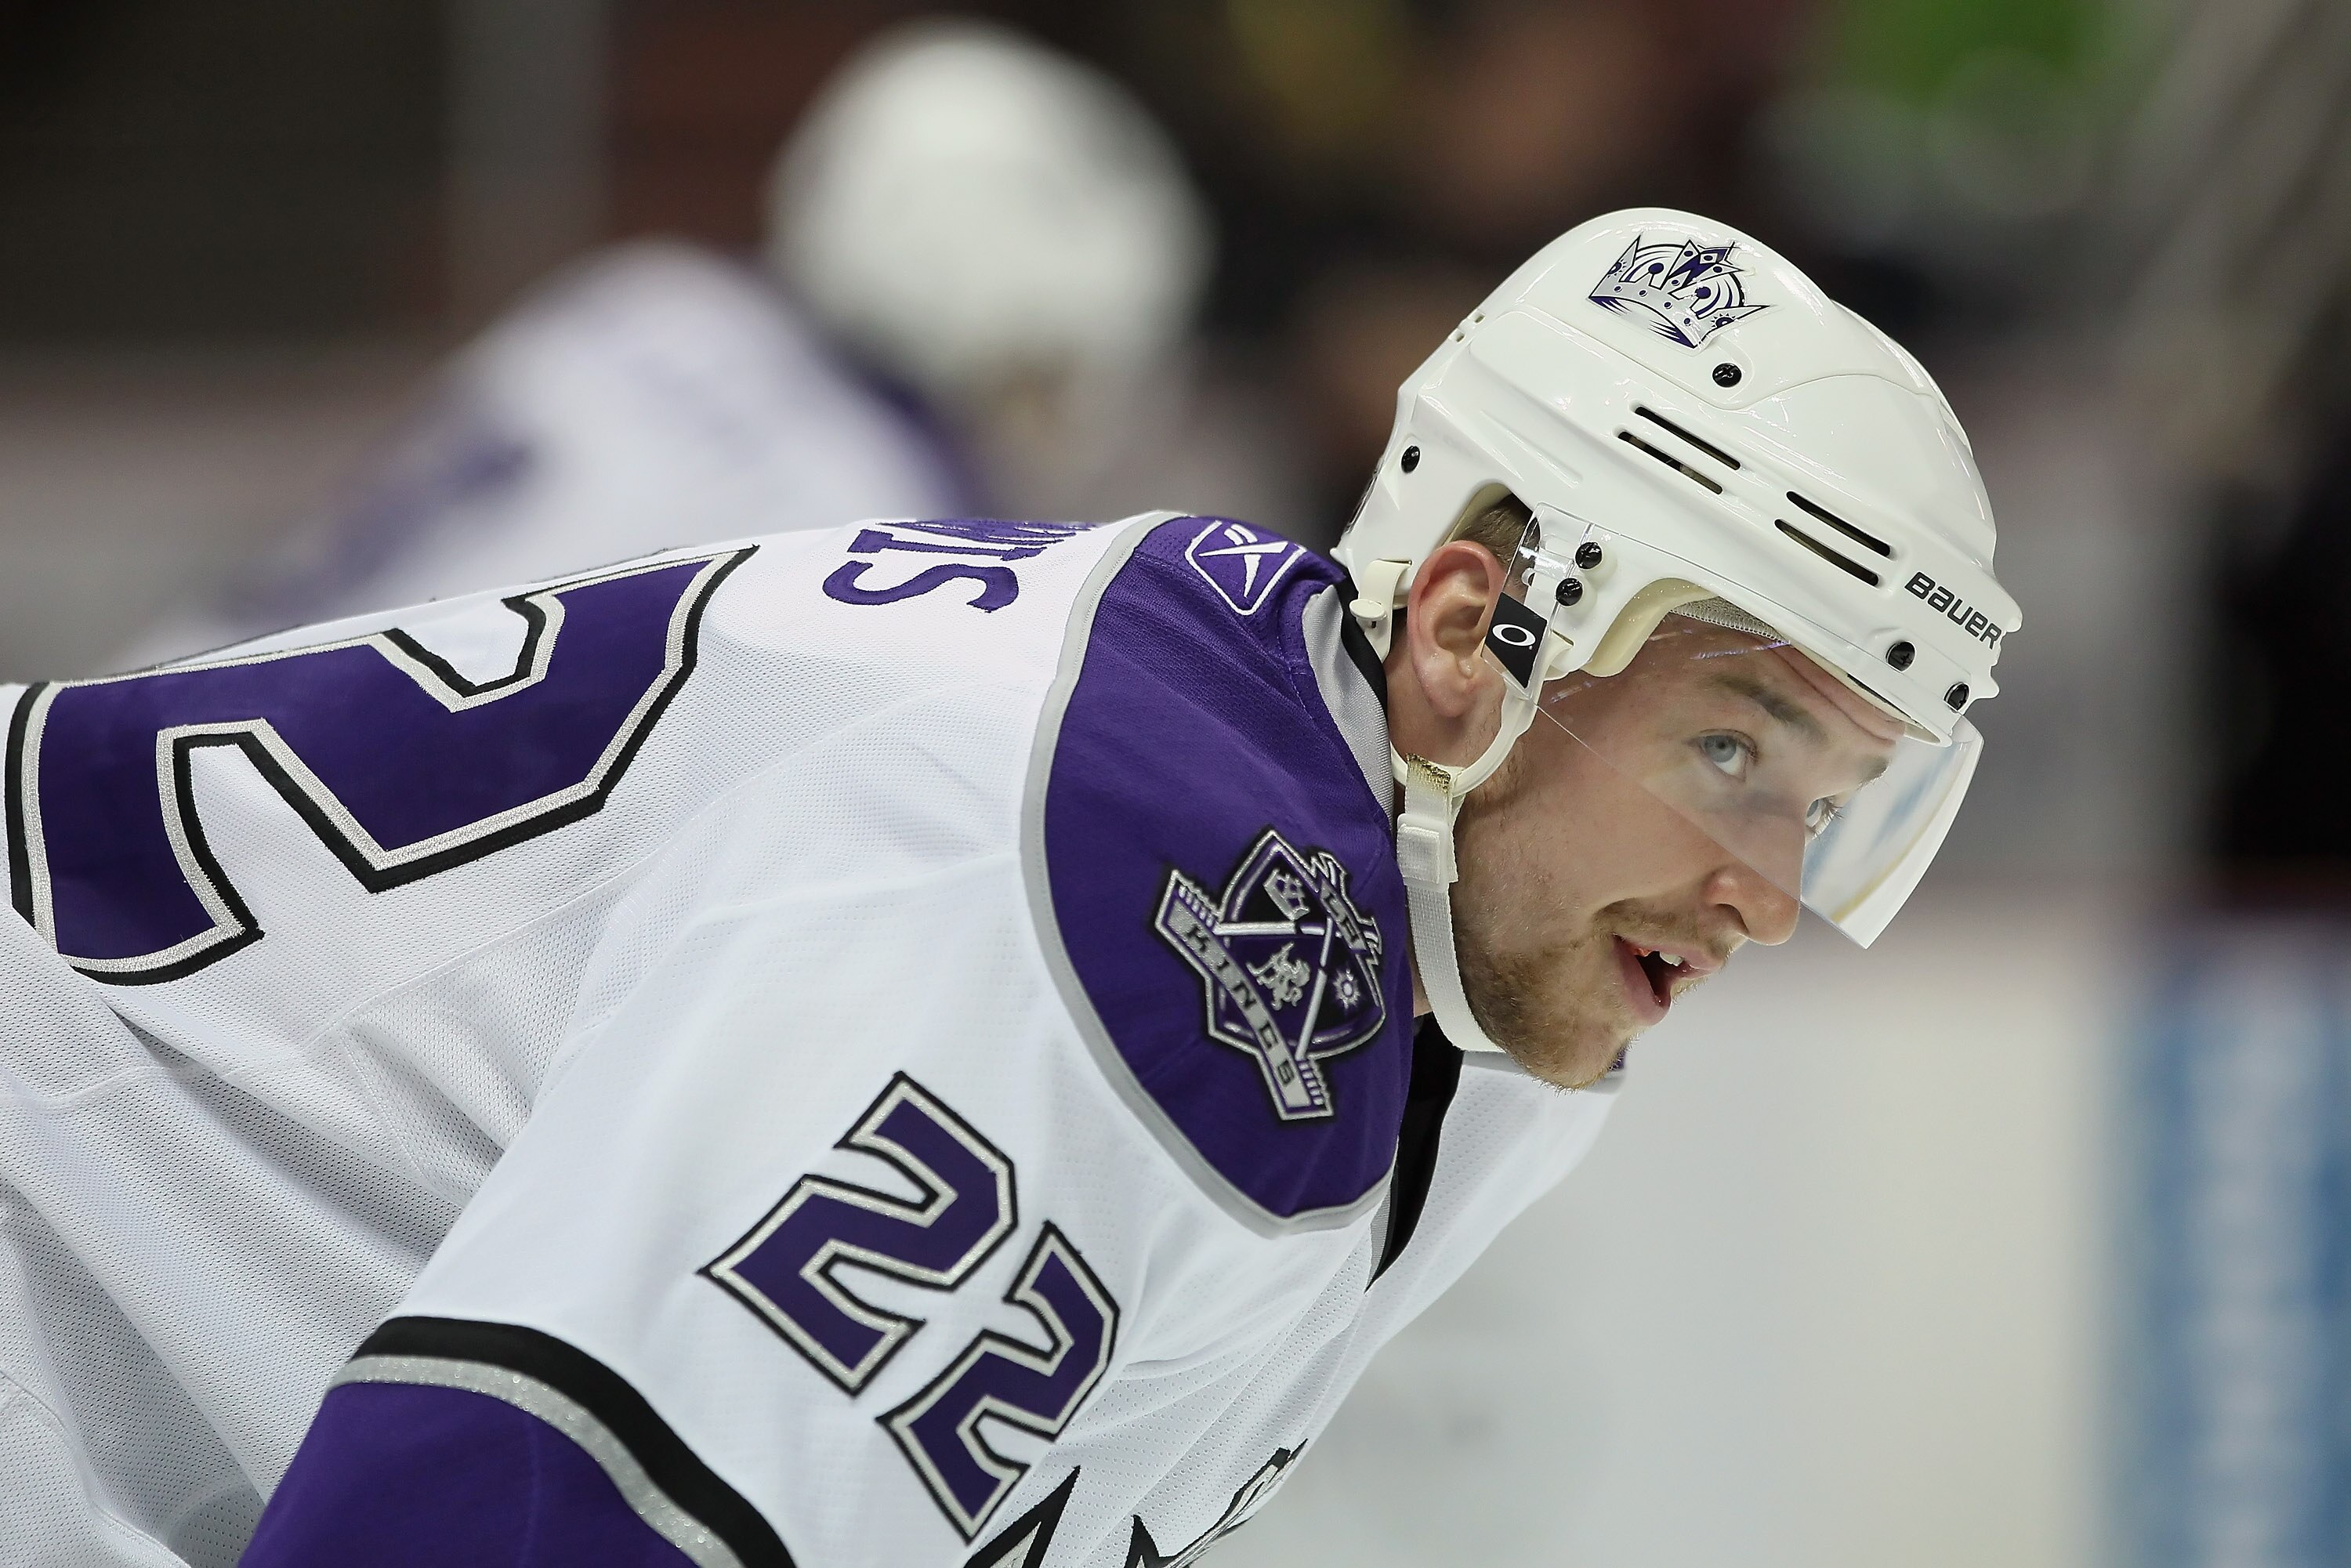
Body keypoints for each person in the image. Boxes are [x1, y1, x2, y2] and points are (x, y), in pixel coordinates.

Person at [0, 208, 2016, 1566]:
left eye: (1834, 798)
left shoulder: (1441, 981)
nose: (1765, 890)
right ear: (1473, 627)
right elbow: (518, 1502)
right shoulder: (1127, 907)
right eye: (1731, 747)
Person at [121, 18, 1240, 669]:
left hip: (147, 719)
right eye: (1043, 370)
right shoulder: (876, 525)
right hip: (280, 903)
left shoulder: (648, 299)